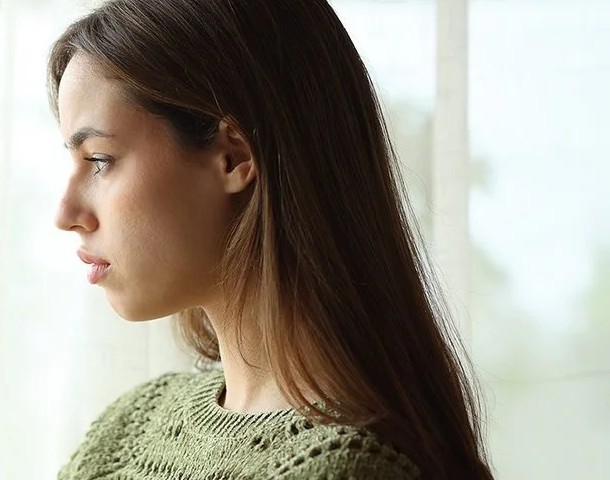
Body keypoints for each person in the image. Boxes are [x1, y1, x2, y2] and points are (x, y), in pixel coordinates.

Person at [48, 0, 494, 478]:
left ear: (233, 157)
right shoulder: (129, 428)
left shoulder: (350, 468)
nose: (65, 214)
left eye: (99, 160)